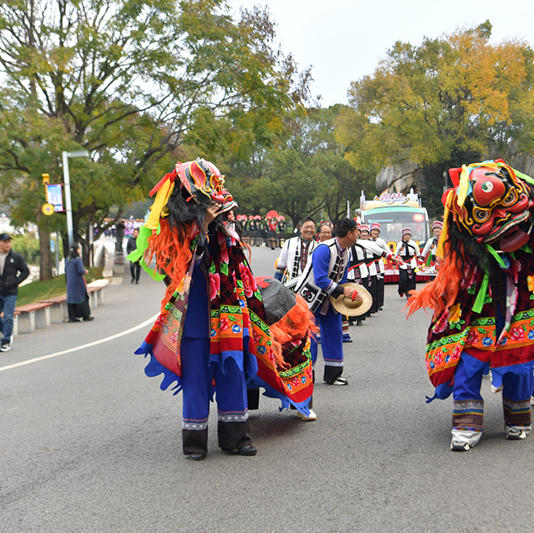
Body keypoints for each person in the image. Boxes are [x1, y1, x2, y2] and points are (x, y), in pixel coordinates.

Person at [130, 159, 315, 461]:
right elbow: (178, 274)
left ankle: (236, 438)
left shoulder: (228, 234)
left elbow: (242, 276)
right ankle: (195, 443)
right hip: (195, 324)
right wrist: (200, 228)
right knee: (197, 382)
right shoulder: (177, 236)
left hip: (230, 321)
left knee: (233, 376)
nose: (222, 212)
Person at [406, 160, 534, 451]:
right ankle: (466, 425)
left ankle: (517, 419)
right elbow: (452, 273)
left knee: (518, 362)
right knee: (467, 364)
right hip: (476, 310)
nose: (505, 220)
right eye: (485, 214)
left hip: (522, 308)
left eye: (508, 206)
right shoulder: (464, 250)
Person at [292, 218, 361, 385]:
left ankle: (333, 374)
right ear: (350, 233)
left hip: (330, 298)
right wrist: (343, 290)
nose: (359, 234)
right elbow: (321, 279)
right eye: (357, 231)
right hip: (309, 299)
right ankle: (307, 374)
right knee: (310, 337)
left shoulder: (347, 251)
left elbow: (342, 277)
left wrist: (345, 292)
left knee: (334, 333)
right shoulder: (324, 249)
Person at [0, 233, 31, 352]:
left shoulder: (16, 257)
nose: (8, 244)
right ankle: (8, 333)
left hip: (10, 292)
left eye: (9, 241)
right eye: (5, 241)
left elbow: (25, 271)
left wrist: (15, 281)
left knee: (8, 316)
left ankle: (6, 341)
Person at [274, 217, 317, 283]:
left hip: (310, 287)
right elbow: (280, 267)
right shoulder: (289, 243)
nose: (309, 230)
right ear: (301, 229)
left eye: (312, 228)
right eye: (306, 227)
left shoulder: (318, 246)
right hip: (290, 284)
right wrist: (276, 286)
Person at [65, 243, 94, 322]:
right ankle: (85, 315)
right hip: (78, 282)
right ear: (77, 250)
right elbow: (80, 270)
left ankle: (72, 316)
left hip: (70, 282)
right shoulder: (78, 259)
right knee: (82, 297)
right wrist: (85, 271)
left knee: (72, 299)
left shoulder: (67, 259)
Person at [394, 228, 419, 298]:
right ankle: (401, 290)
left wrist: (419, 263)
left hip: (412, 263)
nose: (407, 236)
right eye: (405, 235)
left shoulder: (413, 243)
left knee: (411, 279)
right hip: (403, 264)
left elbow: (418, 254)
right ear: (403, 236)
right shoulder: (400, 244)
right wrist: (396, 261)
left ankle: (411, 293)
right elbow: (395, 254)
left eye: (408, 235)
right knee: (404, 278)